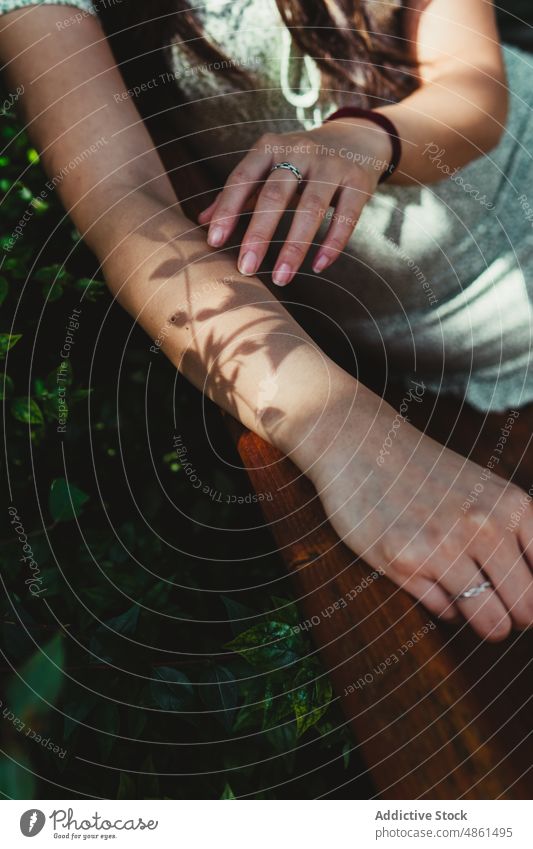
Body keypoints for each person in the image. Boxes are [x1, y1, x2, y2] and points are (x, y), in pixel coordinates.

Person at [1, 0, 532, 641]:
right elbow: (125, 203)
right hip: (460, 342)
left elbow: (475, 85)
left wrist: (364, 137)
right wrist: (340, 428)